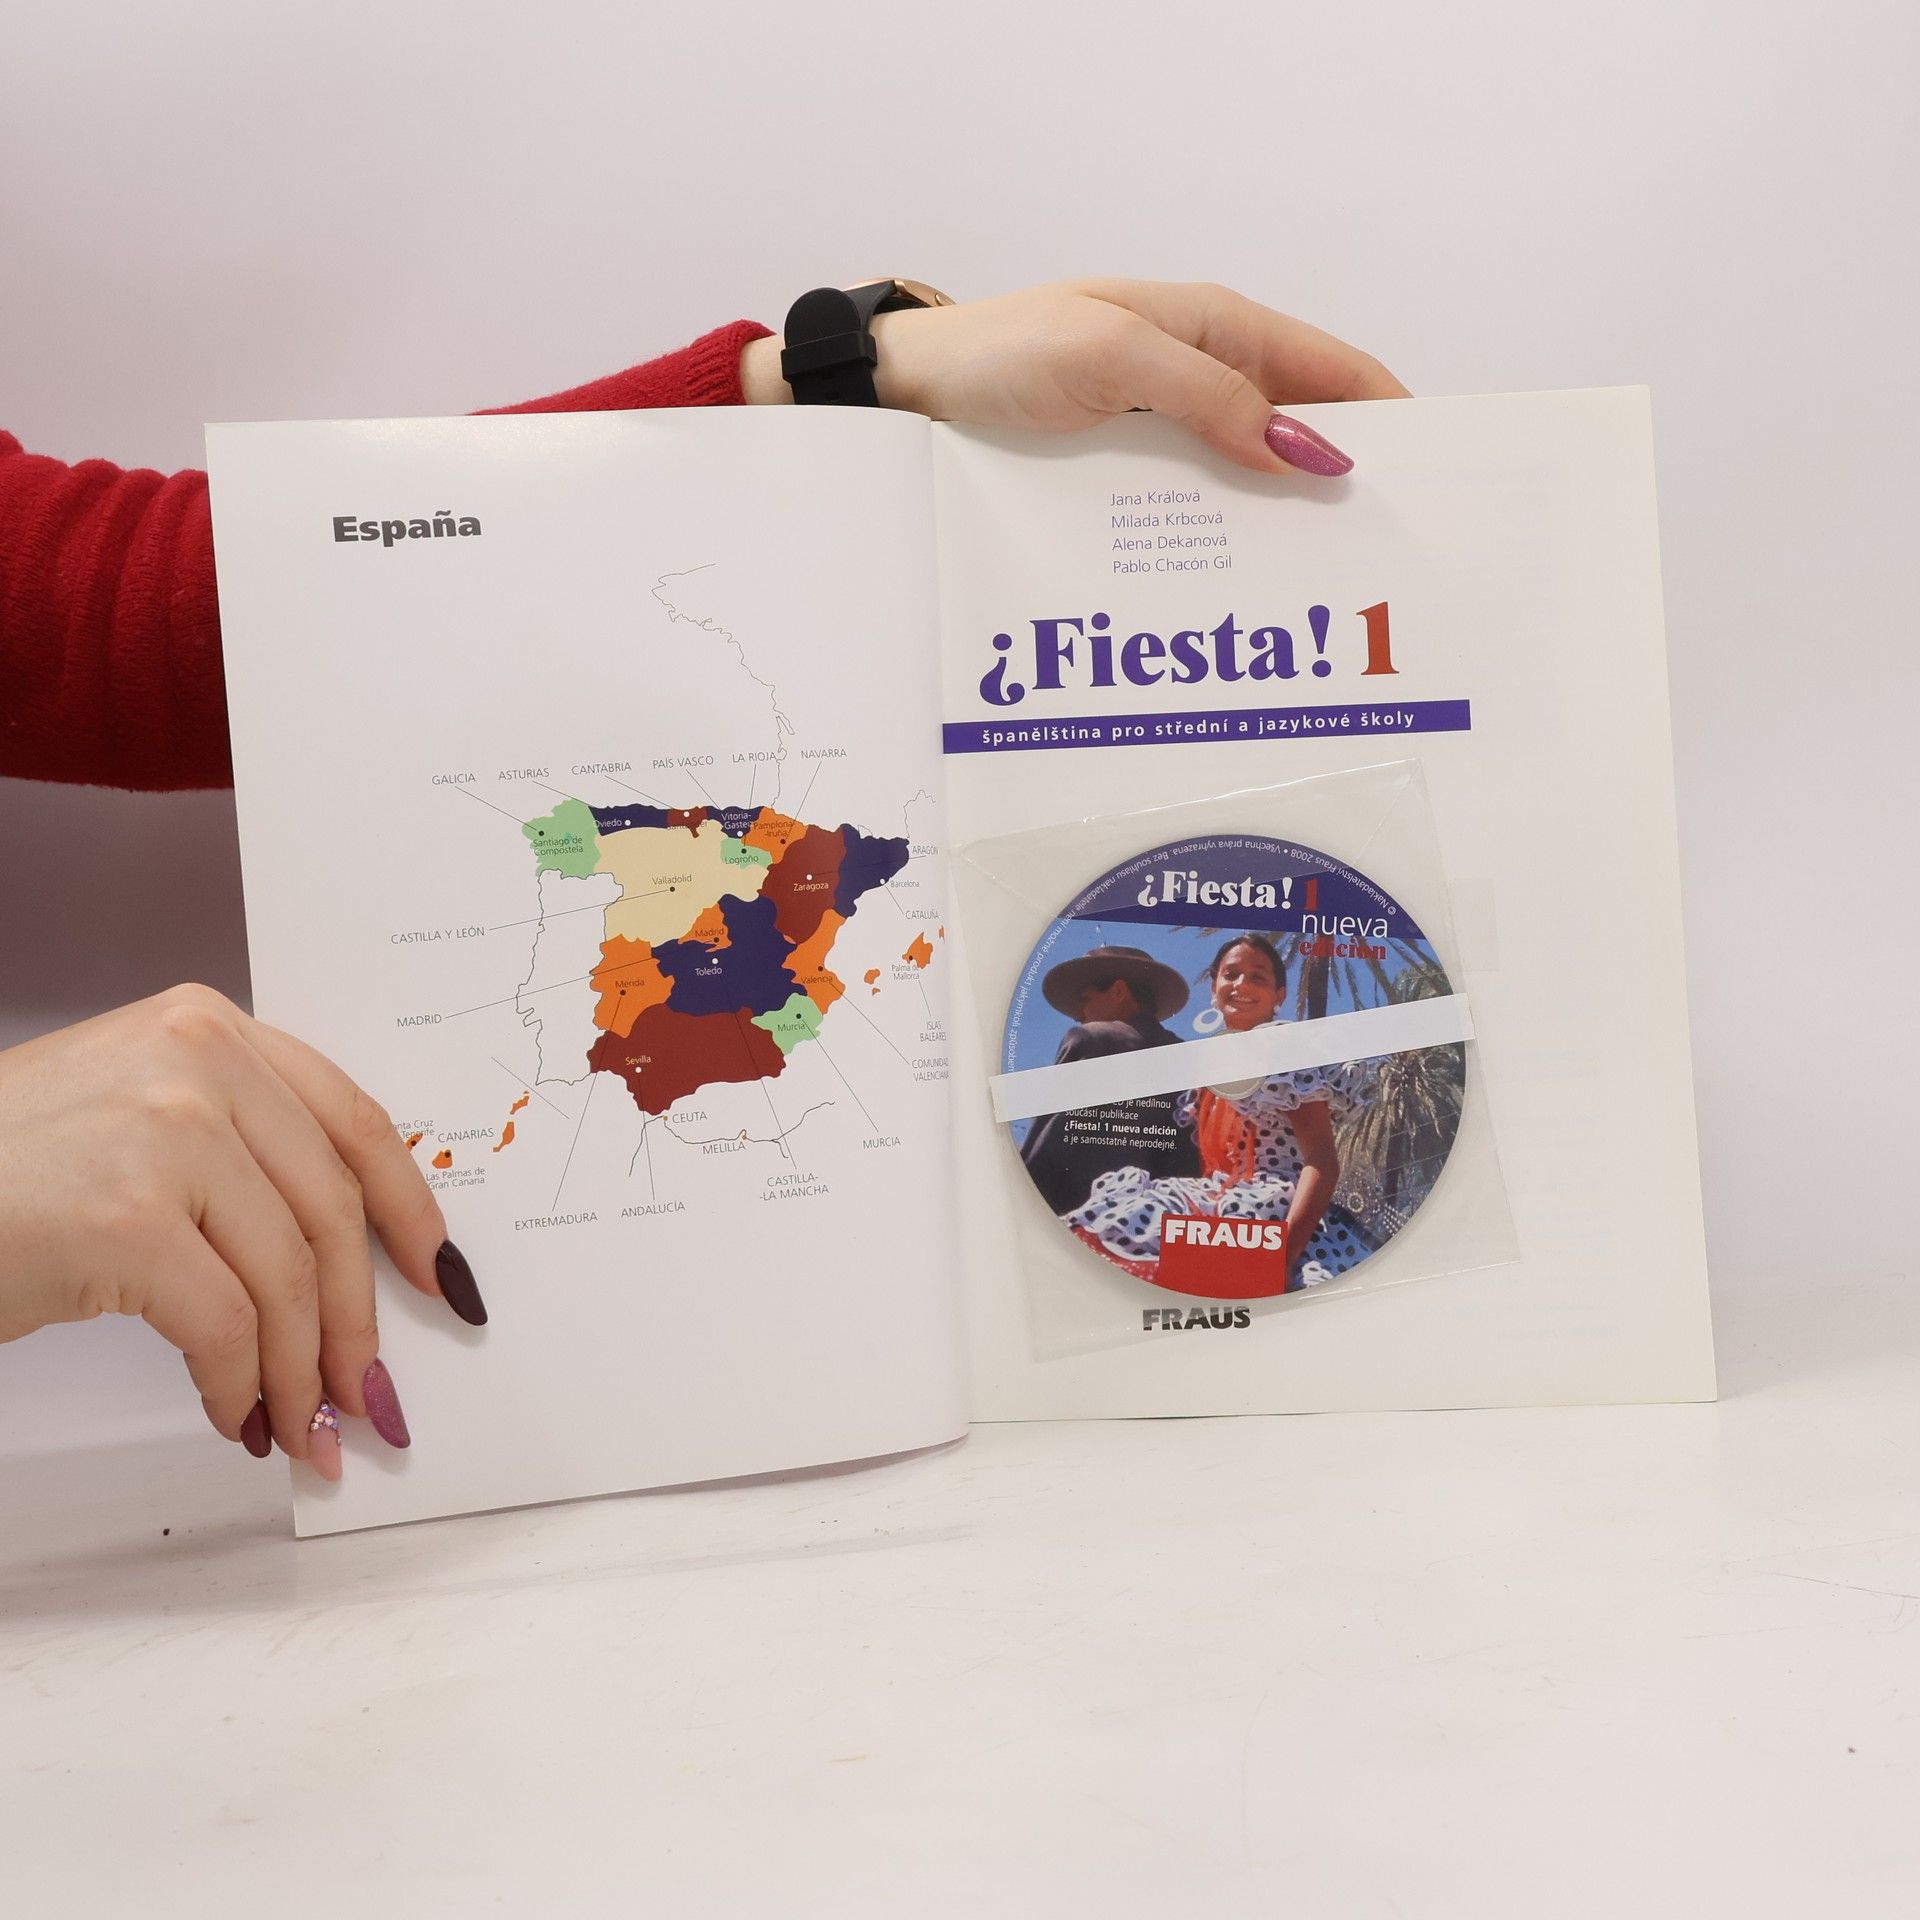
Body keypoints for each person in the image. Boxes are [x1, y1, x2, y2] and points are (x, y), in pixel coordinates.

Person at [0, 279, 1407, 1474]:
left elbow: (106, 613)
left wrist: (837, 377)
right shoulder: (1134, 1068)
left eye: (1237, 972)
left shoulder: (1253, 1067)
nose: (1211, 986)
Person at [1067, 933, 1379, 1291]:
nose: (1241, 984)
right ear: (1214, 990)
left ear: (1279, 995)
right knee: (1110, 1237)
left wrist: (1283, 1256)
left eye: (1257, 976)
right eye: (1230, 975)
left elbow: (1321, 1161)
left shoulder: (1285, 1049)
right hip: (1213, 1200)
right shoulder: (1206, 1071)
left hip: (1280, 1214)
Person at [1017, 944, 1202, 1216]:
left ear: (1118, 991)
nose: (1079, 1015)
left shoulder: (1091, 1039)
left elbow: (1046, 1156)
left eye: (1085, 1000)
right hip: (1169, 1219)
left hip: (1086, 1218)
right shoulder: (1193, 1061)